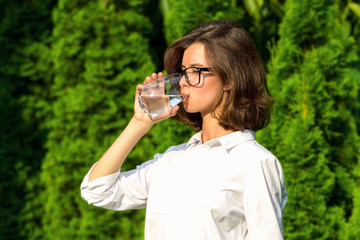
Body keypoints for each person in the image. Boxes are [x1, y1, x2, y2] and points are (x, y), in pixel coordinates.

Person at [81, 20, 287, 240]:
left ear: (230, 79)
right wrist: (140, 122)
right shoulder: (171, 160)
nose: (183, 82)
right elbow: (96, 190)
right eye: (183, 71)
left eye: (195, 71)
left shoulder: (255, 162)